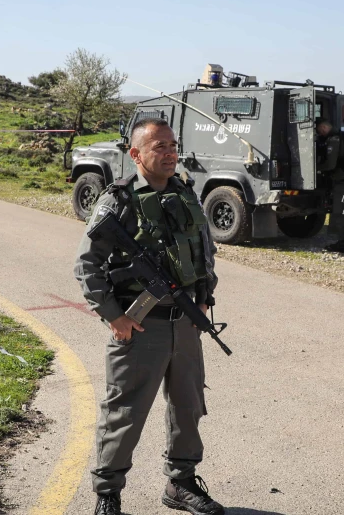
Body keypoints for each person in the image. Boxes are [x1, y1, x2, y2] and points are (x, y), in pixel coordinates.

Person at [74, 118, 225, 515]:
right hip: (140, 327)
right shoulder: (118, 201)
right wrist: (113, 316)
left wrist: (205, 296)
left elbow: (204, 250)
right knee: (124, 412)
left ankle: (181, 484)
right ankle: (108, 496)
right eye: (159, 146)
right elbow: (87, 264)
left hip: (187, 322)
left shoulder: (186, 193)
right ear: (136, 154)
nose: (170, 152)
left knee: (188, 407)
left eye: (173, 145)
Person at [322, 119, 344, 253]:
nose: (320, 133)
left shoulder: (334, 139)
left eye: (320, 130)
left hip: (342, 180)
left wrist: (317, 169)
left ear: (325, 127)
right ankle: (342, 241)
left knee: (340, 211)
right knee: (341, 211)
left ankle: (343, 242)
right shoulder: (342, 137)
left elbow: (330, 164)